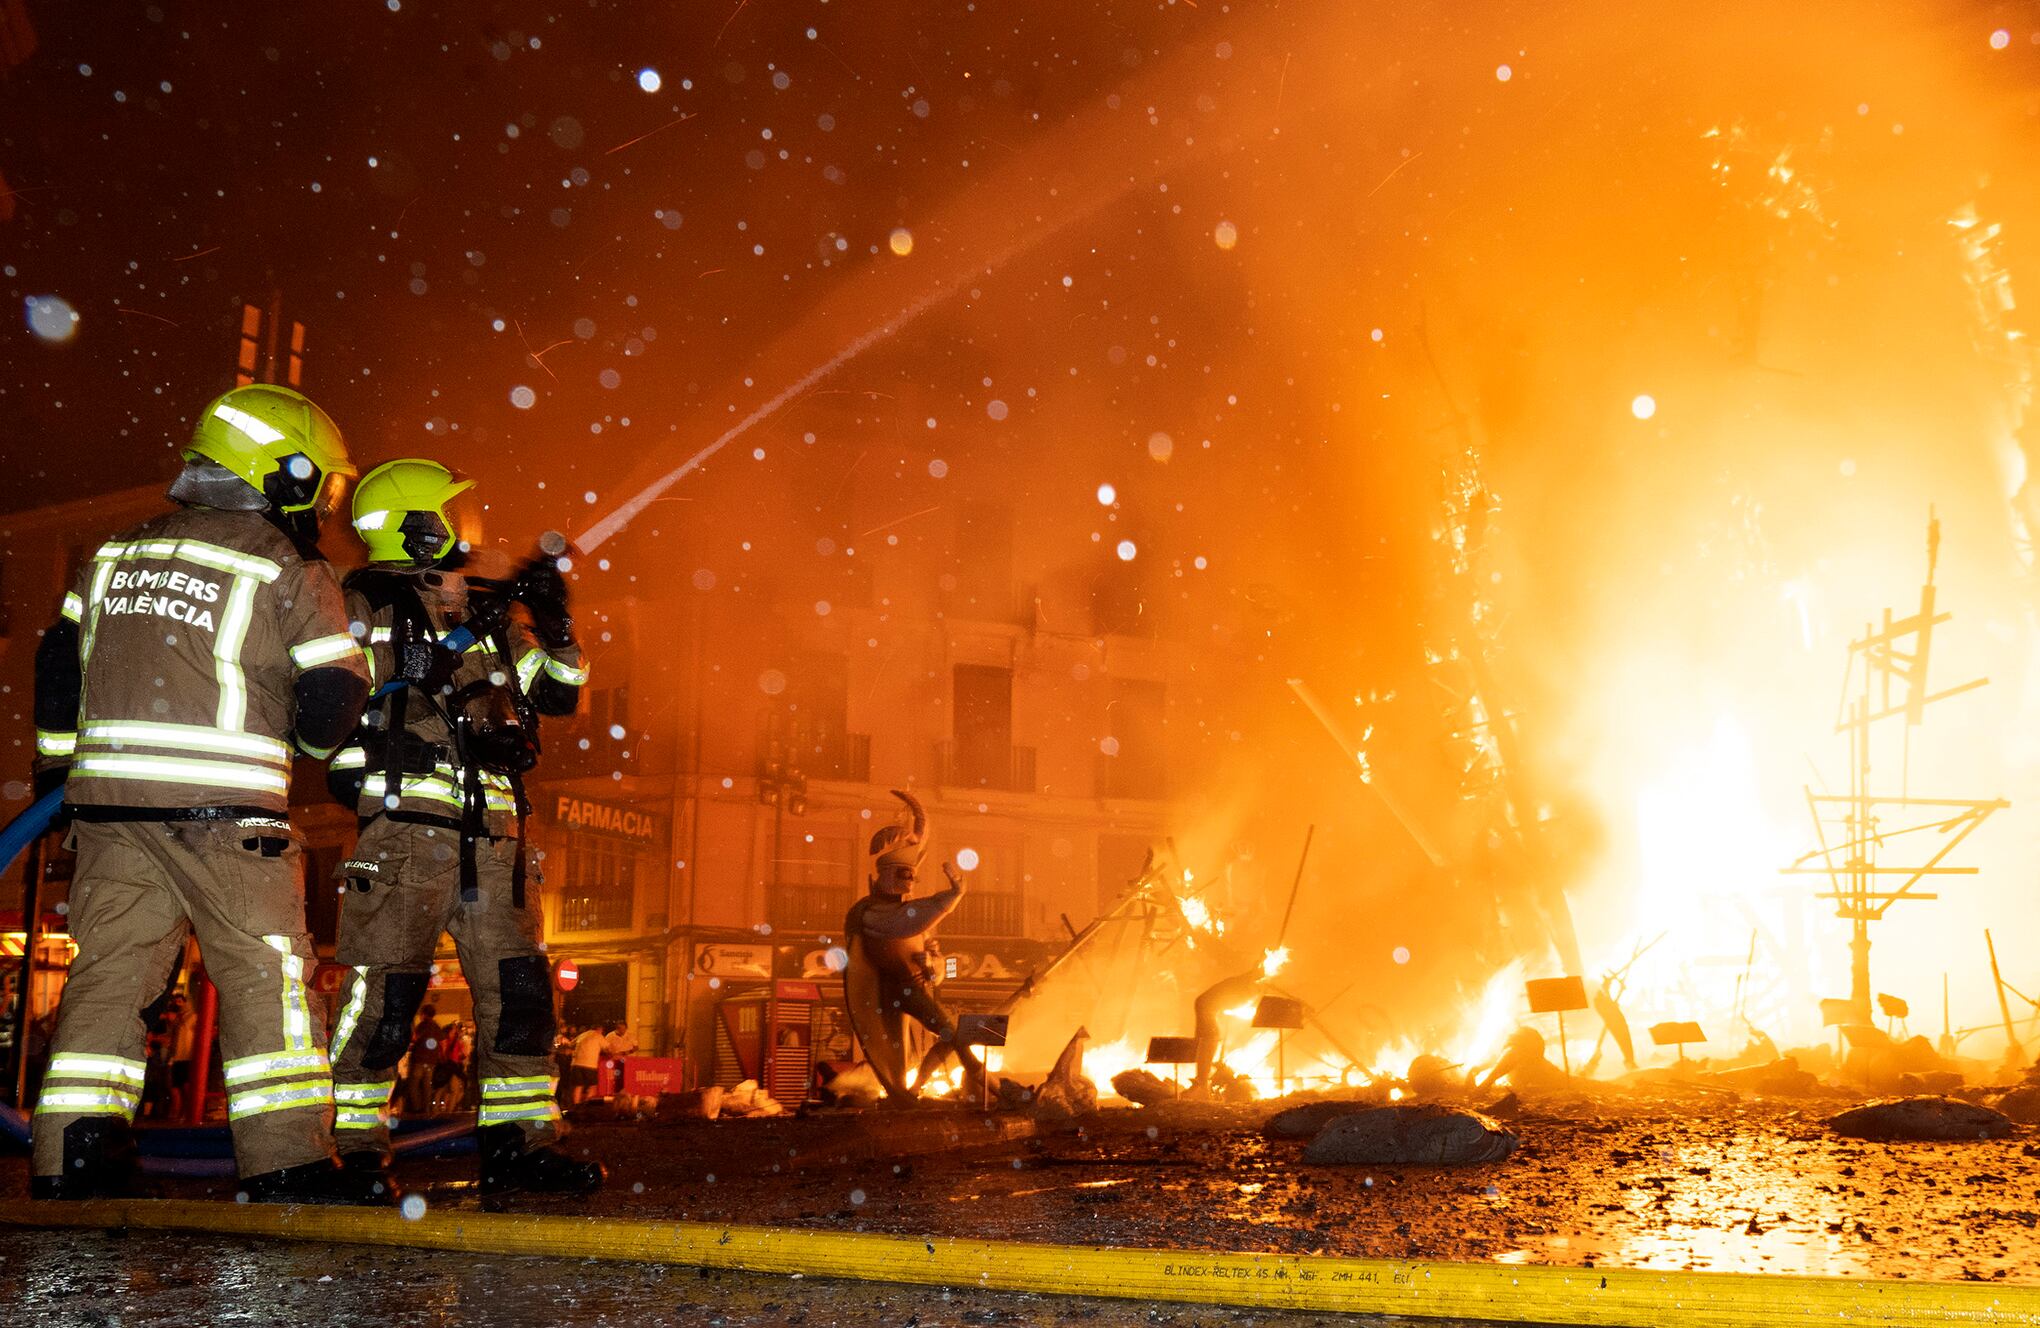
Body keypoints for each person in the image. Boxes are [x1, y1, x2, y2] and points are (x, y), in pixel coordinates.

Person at [29, 384, 383, 1204]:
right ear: (286, 476)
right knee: (266, 978)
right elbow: (334, 697)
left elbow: (57, 666)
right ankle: (288, 1163)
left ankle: (72, 1158)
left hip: (111, 816)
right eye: (321, 486)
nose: (324, 506)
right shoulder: (288, 568)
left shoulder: (113, 554)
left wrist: (61, 771)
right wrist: (308, 744)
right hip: (229, 820)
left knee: (110, 979)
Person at [323, 459, 602, 1199]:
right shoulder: (363, 601)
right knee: (385, 1001)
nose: (465, 526)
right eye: (449, 513)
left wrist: (555, 623)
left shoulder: (485, 618)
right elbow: (337, 692)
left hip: (498, 843)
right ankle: (351, 1149)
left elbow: (560, 695)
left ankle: (520, 1144)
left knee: (521, 999)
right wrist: (426, 660)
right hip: (406, 838)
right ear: (416, 526)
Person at [840, 790, 983, 1101]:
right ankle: (977, 1080)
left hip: (913, 988)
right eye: (905, 876)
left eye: (913, 877)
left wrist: (933, 966)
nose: (910, 882)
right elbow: (907, 920)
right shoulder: (872, 914)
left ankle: (917, 1089)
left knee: (949, 1033)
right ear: (889, 875)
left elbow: (936, 959)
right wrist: (950, 898)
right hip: (890, 992)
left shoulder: (911, 920)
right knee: (941, 1035)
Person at [569, 1024, 606, 1103]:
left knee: (578, 1086)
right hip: (590, 1065)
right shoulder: (598, 1035)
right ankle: (587, 1103)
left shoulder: (582, 1035)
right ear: (599, 1029)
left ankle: (576, 1105)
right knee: (593, 1086)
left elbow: (570, 1044)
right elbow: (608, 1048)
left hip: (575, 1064)